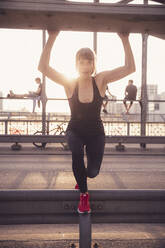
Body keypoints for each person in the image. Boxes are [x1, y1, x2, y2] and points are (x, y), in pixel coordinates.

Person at [38, 30, 135, 213]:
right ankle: (84, 195)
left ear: (93, 64)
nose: (85, 65)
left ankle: (82, 177)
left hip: (96, 133)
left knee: (92, 172)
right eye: (81, 61)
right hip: (74, 129)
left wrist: (125, 39)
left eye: (88, 61)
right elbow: (43, 67)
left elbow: (130, 68)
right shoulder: (69, 83)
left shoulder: (100, 80)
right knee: (76, 152)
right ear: (76, 64)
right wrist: (52, 36)